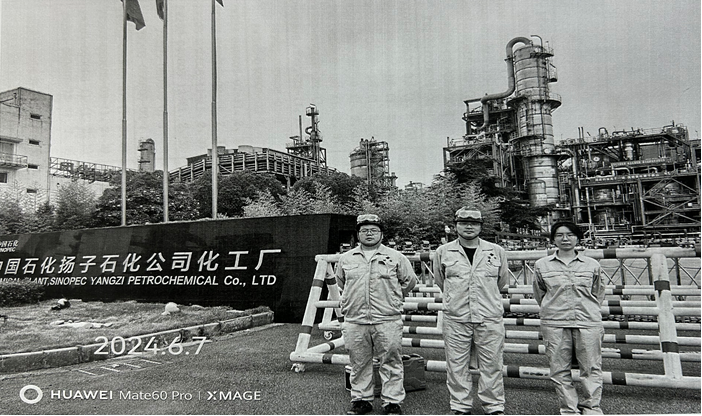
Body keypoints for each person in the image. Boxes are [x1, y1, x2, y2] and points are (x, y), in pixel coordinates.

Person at [336, 214, 418, 415]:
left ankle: (392, 402)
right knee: (358, 362)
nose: (369, 234)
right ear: (358, 234)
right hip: (355, 319)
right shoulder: (346, 258)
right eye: (364, 230)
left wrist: (393, 298)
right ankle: (361, 400)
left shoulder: (396, 257)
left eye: (373, 230)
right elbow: (341, 282)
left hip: (387, 318)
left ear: (381, 234)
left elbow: (409, 281)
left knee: (391, 361)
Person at [432, 208, 509, 415]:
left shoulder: (496, 251)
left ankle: (494, 406)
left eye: (474, 223)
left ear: (481, 226)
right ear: (455, 225)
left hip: (489, 317)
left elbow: (501, 281)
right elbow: (441, 281)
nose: (468, 226)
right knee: (456, 365)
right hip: (456, 318)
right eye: (463, 222)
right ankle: (460, 406)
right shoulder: (443, 252)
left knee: (492, 364)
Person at [533, 221, 606, 415]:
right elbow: (540, 294)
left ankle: (592, 408)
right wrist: (554, 309)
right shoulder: (542, 265)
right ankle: (569, 409)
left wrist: (588, 310)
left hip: (587, 321)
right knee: (559, 369)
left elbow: (598, 293)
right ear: (553, 239)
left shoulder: (592, 265)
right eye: (559, 235)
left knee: (591, 367)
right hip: (554, 322)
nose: (565, 239)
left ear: (577, 238)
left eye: (570, 234)